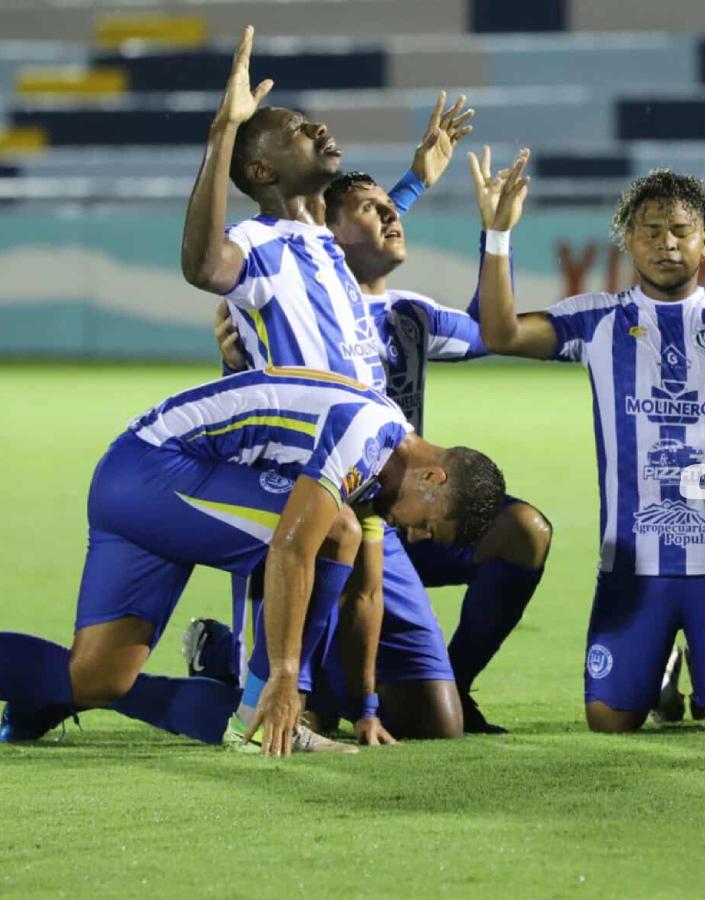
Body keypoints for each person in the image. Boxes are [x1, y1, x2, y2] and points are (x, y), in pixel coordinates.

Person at [468, 128, 705, 733]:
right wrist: (498, 235)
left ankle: (695, 653)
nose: (666, 244)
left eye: (680, 231)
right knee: (608, 724)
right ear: (627, 241)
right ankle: (663, 665)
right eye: (650, 231)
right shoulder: (596, 321)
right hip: (632, 569)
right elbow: (501, 334)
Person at [179, 25, 479, 738]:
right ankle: (236, 663)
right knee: (280, 700)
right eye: (293, 131)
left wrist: (413, 183)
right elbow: (203, 267)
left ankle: (318, 686)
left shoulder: (325, 249)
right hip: (300, 476)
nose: (316, 126)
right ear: (261, 173)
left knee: (438, 724)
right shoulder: (259, 246)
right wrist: (224, 131)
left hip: (367, 475)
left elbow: (361, 230)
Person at [196, 170, 553, 734]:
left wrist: (496, 233)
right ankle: (227, 662)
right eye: (374, 209)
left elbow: (495, 330)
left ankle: (450, 685)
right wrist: (235, 361)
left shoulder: (409, 315)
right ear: (324, 236)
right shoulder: (289, 304)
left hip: (408, 516)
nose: (393, 218)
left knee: (522, 530)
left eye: (394, 208)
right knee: (309, 715)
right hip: (330, 516)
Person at [0, 367, 505, 757]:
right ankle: (253, 715)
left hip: (134, 482)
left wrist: (365, 708)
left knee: (97, 678)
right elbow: (291, 547)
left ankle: (32, 693)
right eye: (428, 525)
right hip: (155, 469)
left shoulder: (384, 466)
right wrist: (286, 676)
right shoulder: (367, 436)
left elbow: (365, 592)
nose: (411, 534)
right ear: (434, 480)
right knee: (331, 530)